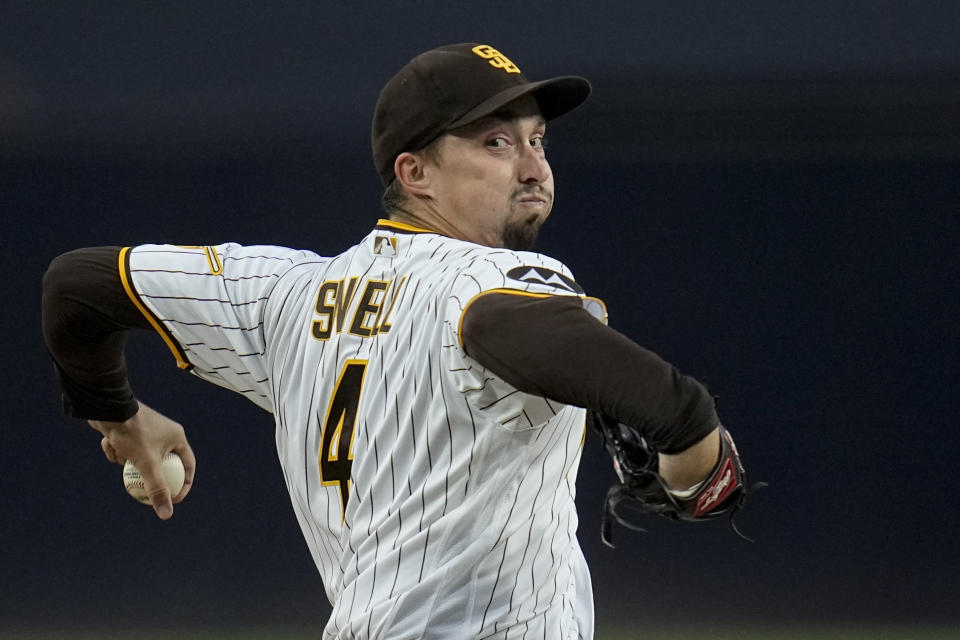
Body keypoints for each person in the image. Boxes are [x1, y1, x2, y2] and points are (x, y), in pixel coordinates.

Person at [42, 43, 725, 640]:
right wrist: (696, 471)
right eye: (496, 142)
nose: (532, 166)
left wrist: (118, 417)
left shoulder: (285, 295)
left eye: (537, 140)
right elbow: (669, 406)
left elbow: (75, 288)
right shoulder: (493, 281)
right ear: (414, 173)